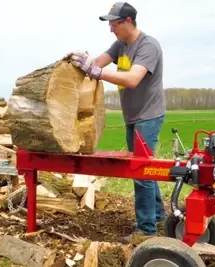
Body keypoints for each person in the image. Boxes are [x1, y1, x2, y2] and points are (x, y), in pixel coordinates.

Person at [65, 2, 167, 245]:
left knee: (141, 171)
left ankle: (146, 230)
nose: (111, 28)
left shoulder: (148, 46)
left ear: (128, 22)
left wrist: (97, 72)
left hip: (148, 116)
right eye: (109, 23)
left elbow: (132, 79)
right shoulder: (120, 44)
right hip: (133, 116)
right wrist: (80, 62)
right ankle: (159, 216)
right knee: (145, 168)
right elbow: (98, 62)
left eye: (114, 23)